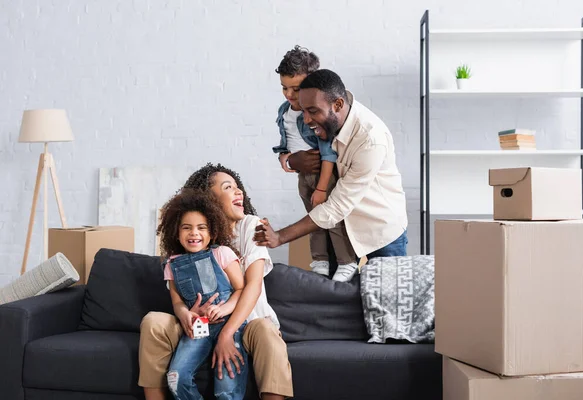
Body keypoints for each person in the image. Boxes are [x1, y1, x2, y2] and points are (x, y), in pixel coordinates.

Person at [139, 164, 293, 400]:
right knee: (153, 321)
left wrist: (227, 334)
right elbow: (177, 298)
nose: (239, 191)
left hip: (245, 323)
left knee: (266, 330)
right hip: (198, 324)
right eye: (228, 187)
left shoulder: (250, 226)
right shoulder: (190, 246)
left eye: (237, 187)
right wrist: (186, 314)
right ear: (208, 199)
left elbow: (251, 285)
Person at [254, 69, 409, 269]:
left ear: (338, 105)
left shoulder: (370, 139)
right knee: (339, 298)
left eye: (312, 111)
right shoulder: (329, 115)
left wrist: (280, 237)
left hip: (379, 233)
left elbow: (338, 205)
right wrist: (292, 160)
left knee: (387, 297)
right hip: (340, 231)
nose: (306, 120)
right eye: (303, 111)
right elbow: (293, 150)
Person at [272, 46, 357, 281]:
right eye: (284, 87)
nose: (289, 94)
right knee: (312, 219)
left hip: (323, 175)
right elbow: (284, 142)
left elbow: (328, 152)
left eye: (296, 89)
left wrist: (321, 187)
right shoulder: (285, 111)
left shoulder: (316, 114)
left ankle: (346, 262)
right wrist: (285, 158)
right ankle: (319, 260)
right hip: (303, 176)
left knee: (331, 219)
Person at [157, 189, 248, 400]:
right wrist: (184, 315)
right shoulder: (171, 265)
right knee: (175, 378)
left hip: (229, 325)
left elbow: (242, 290)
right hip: (198, 329)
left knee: (226, 391)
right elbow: (177, 302)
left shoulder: (222, 254)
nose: (194, 233)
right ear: (176, 233)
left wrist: (224, 308)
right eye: (186, 228)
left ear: (212, 232)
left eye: (201, 228)